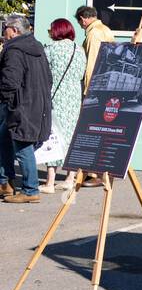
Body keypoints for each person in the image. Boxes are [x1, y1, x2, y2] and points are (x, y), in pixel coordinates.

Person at [0, 15, 54, 204]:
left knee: (23, 146)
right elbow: (49, 77)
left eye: (5, 27)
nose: (3, 31)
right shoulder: (36, 46)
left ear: (14, 30)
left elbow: (9, 81)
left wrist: (5, 100)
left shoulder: (14, 50)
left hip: (20, 105)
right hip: (36, 104)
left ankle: (30, 189)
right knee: (4, 137)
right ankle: (5, 182)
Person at [37, 17, 86, 194]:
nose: (49, 33)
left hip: (54, 97)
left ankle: (50, 182)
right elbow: (81, 74)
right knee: (71, 136)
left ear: (57, 31)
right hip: (73, 98)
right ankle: (70, 178)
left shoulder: (50, 50)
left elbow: (43, 73)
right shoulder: (79, 50)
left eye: (51, 30)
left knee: (52, 136)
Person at [75, 4, 114, 93]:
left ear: (83, 19)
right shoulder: (106, 29)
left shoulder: (93, 34)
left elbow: (92, 61)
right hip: (104, 81)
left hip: (96, 82)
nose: (81, 26)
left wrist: (88, 88)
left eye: (79, 22)